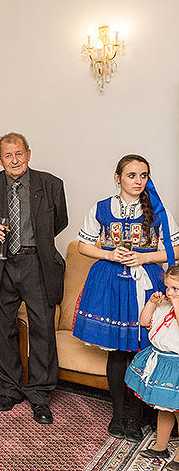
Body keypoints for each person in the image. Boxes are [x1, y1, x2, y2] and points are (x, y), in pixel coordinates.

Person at [73, 154, 179, 441]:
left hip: (145, 285)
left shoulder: (159, 211)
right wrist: (108, 253)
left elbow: (174, 252)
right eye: (132, 175)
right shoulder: (101, 207)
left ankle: (135, 418)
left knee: (141, 350)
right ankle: (118, 415)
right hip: (109, 283)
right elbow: (84, 245)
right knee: (118, 351)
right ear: (118, 177)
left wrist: (144, 257)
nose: (138, 181)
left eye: (143, 175)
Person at [0, 132, 67, 425]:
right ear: (0, 159)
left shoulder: (50, 184)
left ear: (29, 154)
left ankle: (40, 394)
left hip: (37, 263)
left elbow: (59, 221)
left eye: (19, 154)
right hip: (1, 264)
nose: (15, 160)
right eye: (8, 156)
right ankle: (10, 389)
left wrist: (35, 244)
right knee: (2, 328)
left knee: (42, 329)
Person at [126, 266, 179, 469]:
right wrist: (151, 303)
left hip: (175, 365)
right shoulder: (164, 305)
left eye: (175, 289)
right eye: (167, 288)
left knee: (177, 410)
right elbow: (144, 321)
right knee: (164, 407)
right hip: (160, 360)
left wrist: (175, 303)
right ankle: (160, 446)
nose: (169, 293)